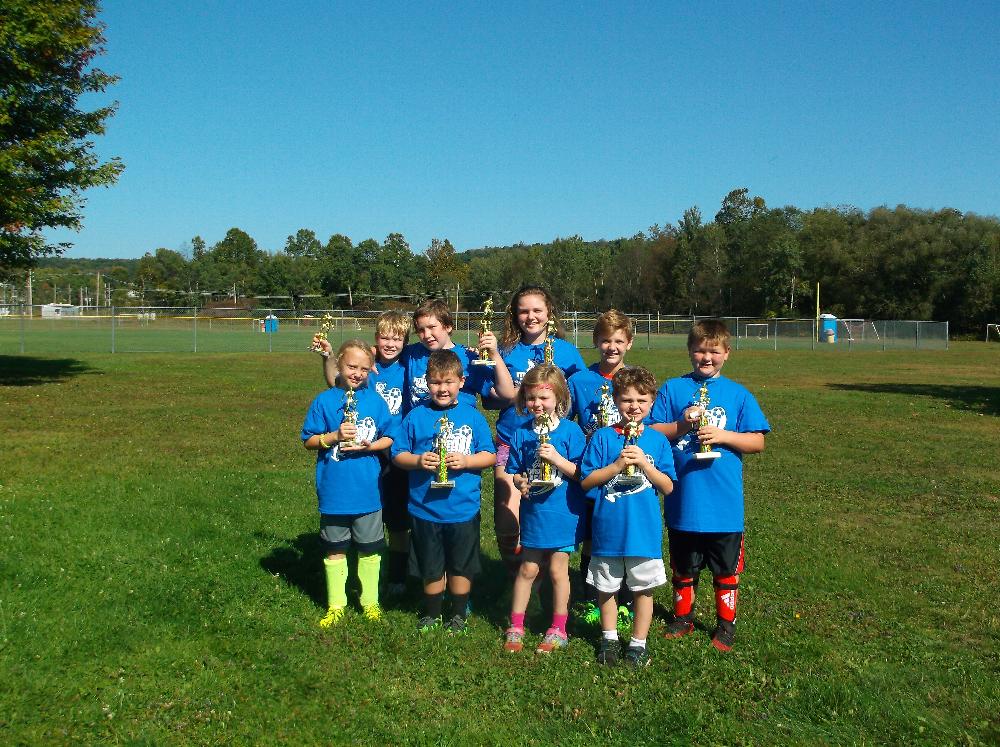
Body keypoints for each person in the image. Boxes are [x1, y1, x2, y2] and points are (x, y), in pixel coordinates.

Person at [649, 319, 769, 652]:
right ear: (689, 350)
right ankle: (683, 617)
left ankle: (725, 625)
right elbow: (651, 432)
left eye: (714, 351)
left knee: (725, 570)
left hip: (724, 505)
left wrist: (723, 436)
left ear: (726, 353)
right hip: (684, 501)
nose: (706, 357)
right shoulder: (673, 389)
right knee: (683, 566)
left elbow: (757, 442)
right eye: (700, 350)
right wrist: (680, 425)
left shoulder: (738, 394)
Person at [391, 350, 496, 634]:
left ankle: (459, 613)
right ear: (426, 382)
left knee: (461, 566)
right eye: (436, 382)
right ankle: (432, 611)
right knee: (431, 565)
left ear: (461, 382)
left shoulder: (472, 417)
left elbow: (490, 455)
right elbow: (397, 454)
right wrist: (417, 461)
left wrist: (467, 461)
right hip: (425, 508)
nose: (442, 388)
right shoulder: (415, 417)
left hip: (462, 508)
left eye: (448, 382)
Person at [487, 286, 586, 576]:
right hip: (513, 440)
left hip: (554, 447)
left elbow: (579, 393)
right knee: (508, 518)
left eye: (537, 310)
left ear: (549, 313)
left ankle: (542, 578)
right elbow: (491, 396)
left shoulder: (566, 352)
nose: (530, 317)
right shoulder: (504, 350)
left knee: (546, 514)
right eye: (523, 311)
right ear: (515, 315)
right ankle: (512, 577)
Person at [580, 367, 675, 666]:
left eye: (641, 400)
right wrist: (616, 466)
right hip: (608, 531)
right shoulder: (603, 438)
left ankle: (638, 643)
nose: (634, 406)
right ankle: (608, 638)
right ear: (615, 402)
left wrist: (646, 466)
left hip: (642, 532)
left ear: (652, 402)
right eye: (626, 399)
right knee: (606, 588)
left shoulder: (658, 442)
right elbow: (586, 481)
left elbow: (668, 486)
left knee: (642, 590)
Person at [316, 311, 412, 595]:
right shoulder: (367, 367)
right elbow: (337, 382)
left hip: (394, 450)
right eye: (385, 337)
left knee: (396, 521)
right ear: (376, 339)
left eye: (397, 338)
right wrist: (328, 357)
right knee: (363, 513)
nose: (390, 343)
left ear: (405, 341)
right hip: (360, 454)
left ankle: (396, 576)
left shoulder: (408, 367)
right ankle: (360, 579)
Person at [301, 339, 394, 627]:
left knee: (370, 549)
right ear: (339, 363)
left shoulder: (376, 402)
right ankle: (336, 604)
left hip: (367, 492)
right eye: (352, 366)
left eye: (364, 369)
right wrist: (333, 437)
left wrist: (372, 446)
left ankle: (370, 602)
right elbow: (308, 440)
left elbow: (391, 437)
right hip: (334, 491)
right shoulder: (325, 401)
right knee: (335, 549)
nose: (357, 373)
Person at [502, 365, 586, 654]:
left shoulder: (571, 432)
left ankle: (559, 627)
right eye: (531, 398)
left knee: (558, 571)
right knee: (528, 568)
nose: (537, 404)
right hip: (534, 512)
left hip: (563, 512)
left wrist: (557, 459)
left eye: (544, 399)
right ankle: (516, 624)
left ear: (559, 399)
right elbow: (515, 470)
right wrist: (521, 482)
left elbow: (581, 473)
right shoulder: (521, 433)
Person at [567, 309, 635, 629]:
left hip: (628, 473)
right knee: (594, 536)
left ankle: (625, 601)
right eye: (606, 340)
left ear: (629, 343)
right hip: (593, 471)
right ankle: (592, 597)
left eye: (619, 341)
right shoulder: (580, 380)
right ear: (596, 341)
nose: (612, 347)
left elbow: (647, 422)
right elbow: (565, 423)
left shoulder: (636, 380)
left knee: (623, 535)